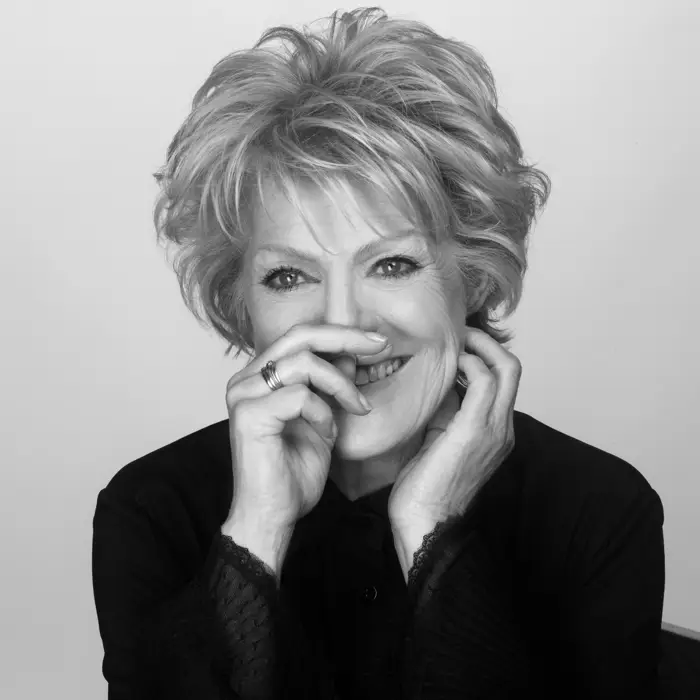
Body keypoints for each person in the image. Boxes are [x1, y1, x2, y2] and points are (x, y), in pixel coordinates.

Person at [91, 7, 665, 699]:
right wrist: (257, 531)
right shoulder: (151, 509)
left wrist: (430, 529)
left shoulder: (598, 510)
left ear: (474, 274)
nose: (343, 323)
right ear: (240, 301)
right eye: (289, 276)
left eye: (392, 265)